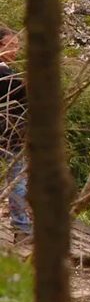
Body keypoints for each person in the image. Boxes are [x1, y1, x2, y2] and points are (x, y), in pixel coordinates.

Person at [0, 27, 29, 237]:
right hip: (11, 135)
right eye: (13, 46)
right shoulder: (8, 77)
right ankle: (21, 226)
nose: (17, 51)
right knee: (17, 179)